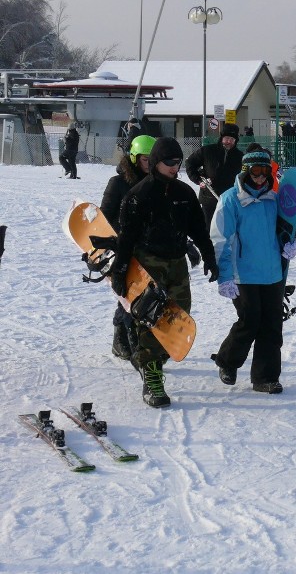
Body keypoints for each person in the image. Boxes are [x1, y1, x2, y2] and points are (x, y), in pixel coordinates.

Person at [111, 137, 219, 408]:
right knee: (153, 318)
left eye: (178, 162)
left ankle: (150, 360)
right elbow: (126, 238)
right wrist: (120, 271)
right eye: (169, 162)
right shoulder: (138, 195)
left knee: (178, 319)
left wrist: (209, 257)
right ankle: (152, 377)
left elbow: (198, 230)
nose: (175, 167)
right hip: (148, 263)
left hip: (177, 263)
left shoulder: (184, 194)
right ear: (156, 162)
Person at [210, 146, 296, 394]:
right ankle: (227, 361)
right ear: (245, 172)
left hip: (272, 272)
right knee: (249, 321)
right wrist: (224, 276)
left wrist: (289, 244)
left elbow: (283, 229)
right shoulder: (231, 200)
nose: (259, 177)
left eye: (264, 172)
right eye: (254, 172)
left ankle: (265, 377)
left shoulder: (274, 198)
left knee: (272, 324)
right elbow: (220, 240)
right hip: (243, 274)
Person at [101, 134, 155, 360]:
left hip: (148, 248)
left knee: (144, 296)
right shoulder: (118, 183)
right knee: (129, 296)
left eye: (153, 159)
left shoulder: (155, 183)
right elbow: (104, 217)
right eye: (145, 159)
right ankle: (123, 338)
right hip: (123, 248)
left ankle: (131, 337)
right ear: (134, 158)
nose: (149, 164)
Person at [185, 123, 244, 230]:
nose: (229, 141)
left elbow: (244, 177)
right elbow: (190, 164)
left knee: (226, 231)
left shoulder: (240, 156)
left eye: (232, 139)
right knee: (209, 230)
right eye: (226, 138)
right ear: (221, 137)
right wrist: (198, 179)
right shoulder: (208, 151)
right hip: (209, 200)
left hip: (229, 201)